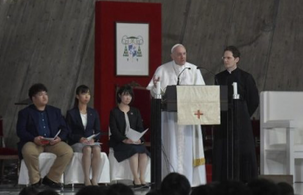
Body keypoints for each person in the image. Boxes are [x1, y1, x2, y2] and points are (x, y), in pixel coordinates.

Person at [146, 44, 206, 186]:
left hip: (189, 117)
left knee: (188, 149)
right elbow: (154, 95)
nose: (182, 57)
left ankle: (189, 181)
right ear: (172, 55)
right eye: (179, 54)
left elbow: (202, 92)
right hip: (170, 119)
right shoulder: (162, 69)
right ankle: (169, 181)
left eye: (184, 53)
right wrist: (155, 87)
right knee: (170, 147)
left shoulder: (194, 69)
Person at [212, 46, 259, 182]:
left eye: (228, 58)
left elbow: (253, 100)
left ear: (236, 59)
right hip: (224, 121)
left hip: (241, 122)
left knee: (242, 150)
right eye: (224, 58)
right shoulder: (218, 77)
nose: (225, 60)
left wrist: (243, 113)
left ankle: (245, 180)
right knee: (223, 149)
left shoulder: (246, 77)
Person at [16, 83, 74, 188]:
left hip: (52, 142)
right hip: (34, 142)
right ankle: (35, 181)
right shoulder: (25, 113)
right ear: (33, 98)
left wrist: (59, 138)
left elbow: (65, 128)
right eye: (41, 95)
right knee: (28, 151)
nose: (45, 97)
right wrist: (34, 138)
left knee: (67, 151)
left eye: (46, 94)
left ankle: (51, 178)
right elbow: (20, 131)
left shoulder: (55, 111)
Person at [109, 85, 150, 187]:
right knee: (135, 151)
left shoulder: (135, 111)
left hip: (134, 141)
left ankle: (142, 178)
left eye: (130, 96)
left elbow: (140, 127)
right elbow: (114, 130)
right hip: (120, 142)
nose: (128, 98)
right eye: (125, 95)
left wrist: (140, 139)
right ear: (119, 96)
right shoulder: (114, 112)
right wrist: (124, 140)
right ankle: (135, 178)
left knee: (143, 152)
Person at [66, 85, 101, 186]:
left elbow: (98, 130)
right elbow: (69, 132)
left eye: (88, 94)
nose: (87, 96)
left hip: (91, 141)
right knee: (87, 149)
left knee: (97, 149)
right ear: (77, 96)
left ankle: (94, 179)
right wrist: (80, 138)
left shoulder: (93, 112)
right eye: (84, 93)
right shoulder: (71, 113)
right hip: (77, 142)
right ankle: (86, 179)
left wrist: (94, 139)